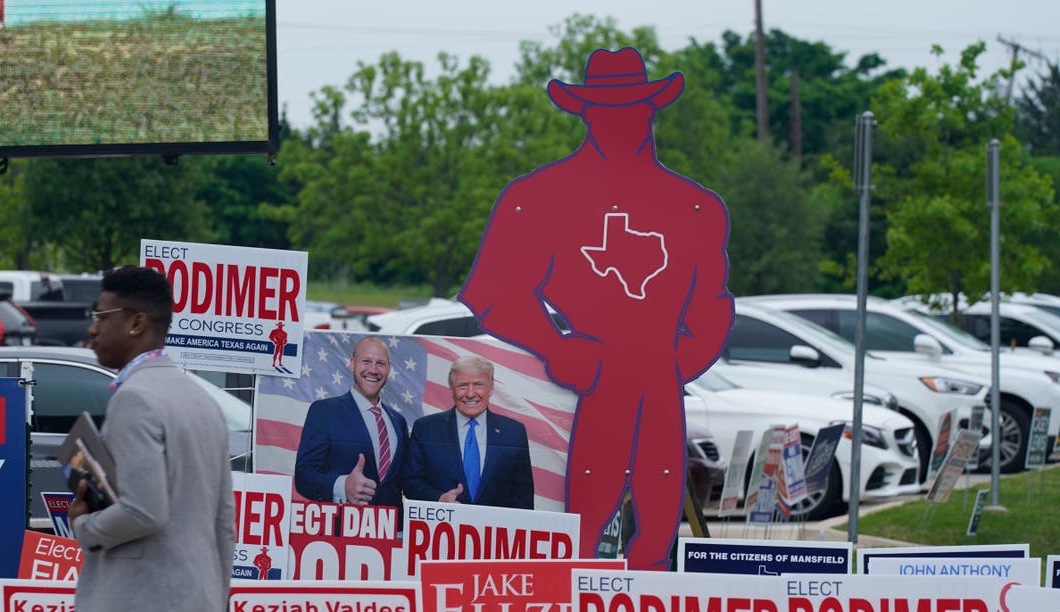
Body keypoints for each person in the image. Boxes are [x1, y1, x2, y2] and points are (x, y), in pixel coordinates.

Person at [458, 47, 734, 570]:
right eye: (608, 111)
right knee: (577, 537)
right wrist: (554, 343)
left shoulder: (697, 207)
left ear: (651, 111)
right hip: (583, 388)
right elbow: (492, 294)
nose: (622, 123)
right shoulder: (537, 197)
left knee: (656, 536)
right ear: (586, 114)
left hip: (659, 387)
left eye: (633, 109)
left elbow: (713, 305)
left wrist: (674, 364)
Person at [68, 266, 234, 612]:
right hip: (172, 607)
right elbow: (221, 521)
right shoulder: (200, 399)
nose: (92, 329)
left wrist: (84, 525)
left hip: (149, 608)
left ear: (136, 322)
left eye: (100, 317)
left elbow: (144, 511)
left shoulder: (136, 398)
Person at [294, 335, 409, 515]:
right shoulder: (324, 411)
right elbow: (304, 477)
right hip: (342, 532)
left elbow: (404, 481)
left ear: (389, 369)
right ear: (352, 363)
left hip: (392, 533)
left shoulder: (398, 422)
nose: (373, 370)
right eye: (366, 361)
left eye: (381, 363)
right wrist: (342, 486)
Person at [404, 355, 534, 508]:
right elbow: (410, 483)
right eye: (462, 386)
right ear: (452, 389)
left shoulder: (514, 432)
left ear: (491, 388)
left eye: (478, 385)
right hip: (443, 528)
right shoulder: (425, 429)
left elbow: (523, 496)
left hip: (495, 529)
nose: (470, 393)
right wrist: (438, 498)